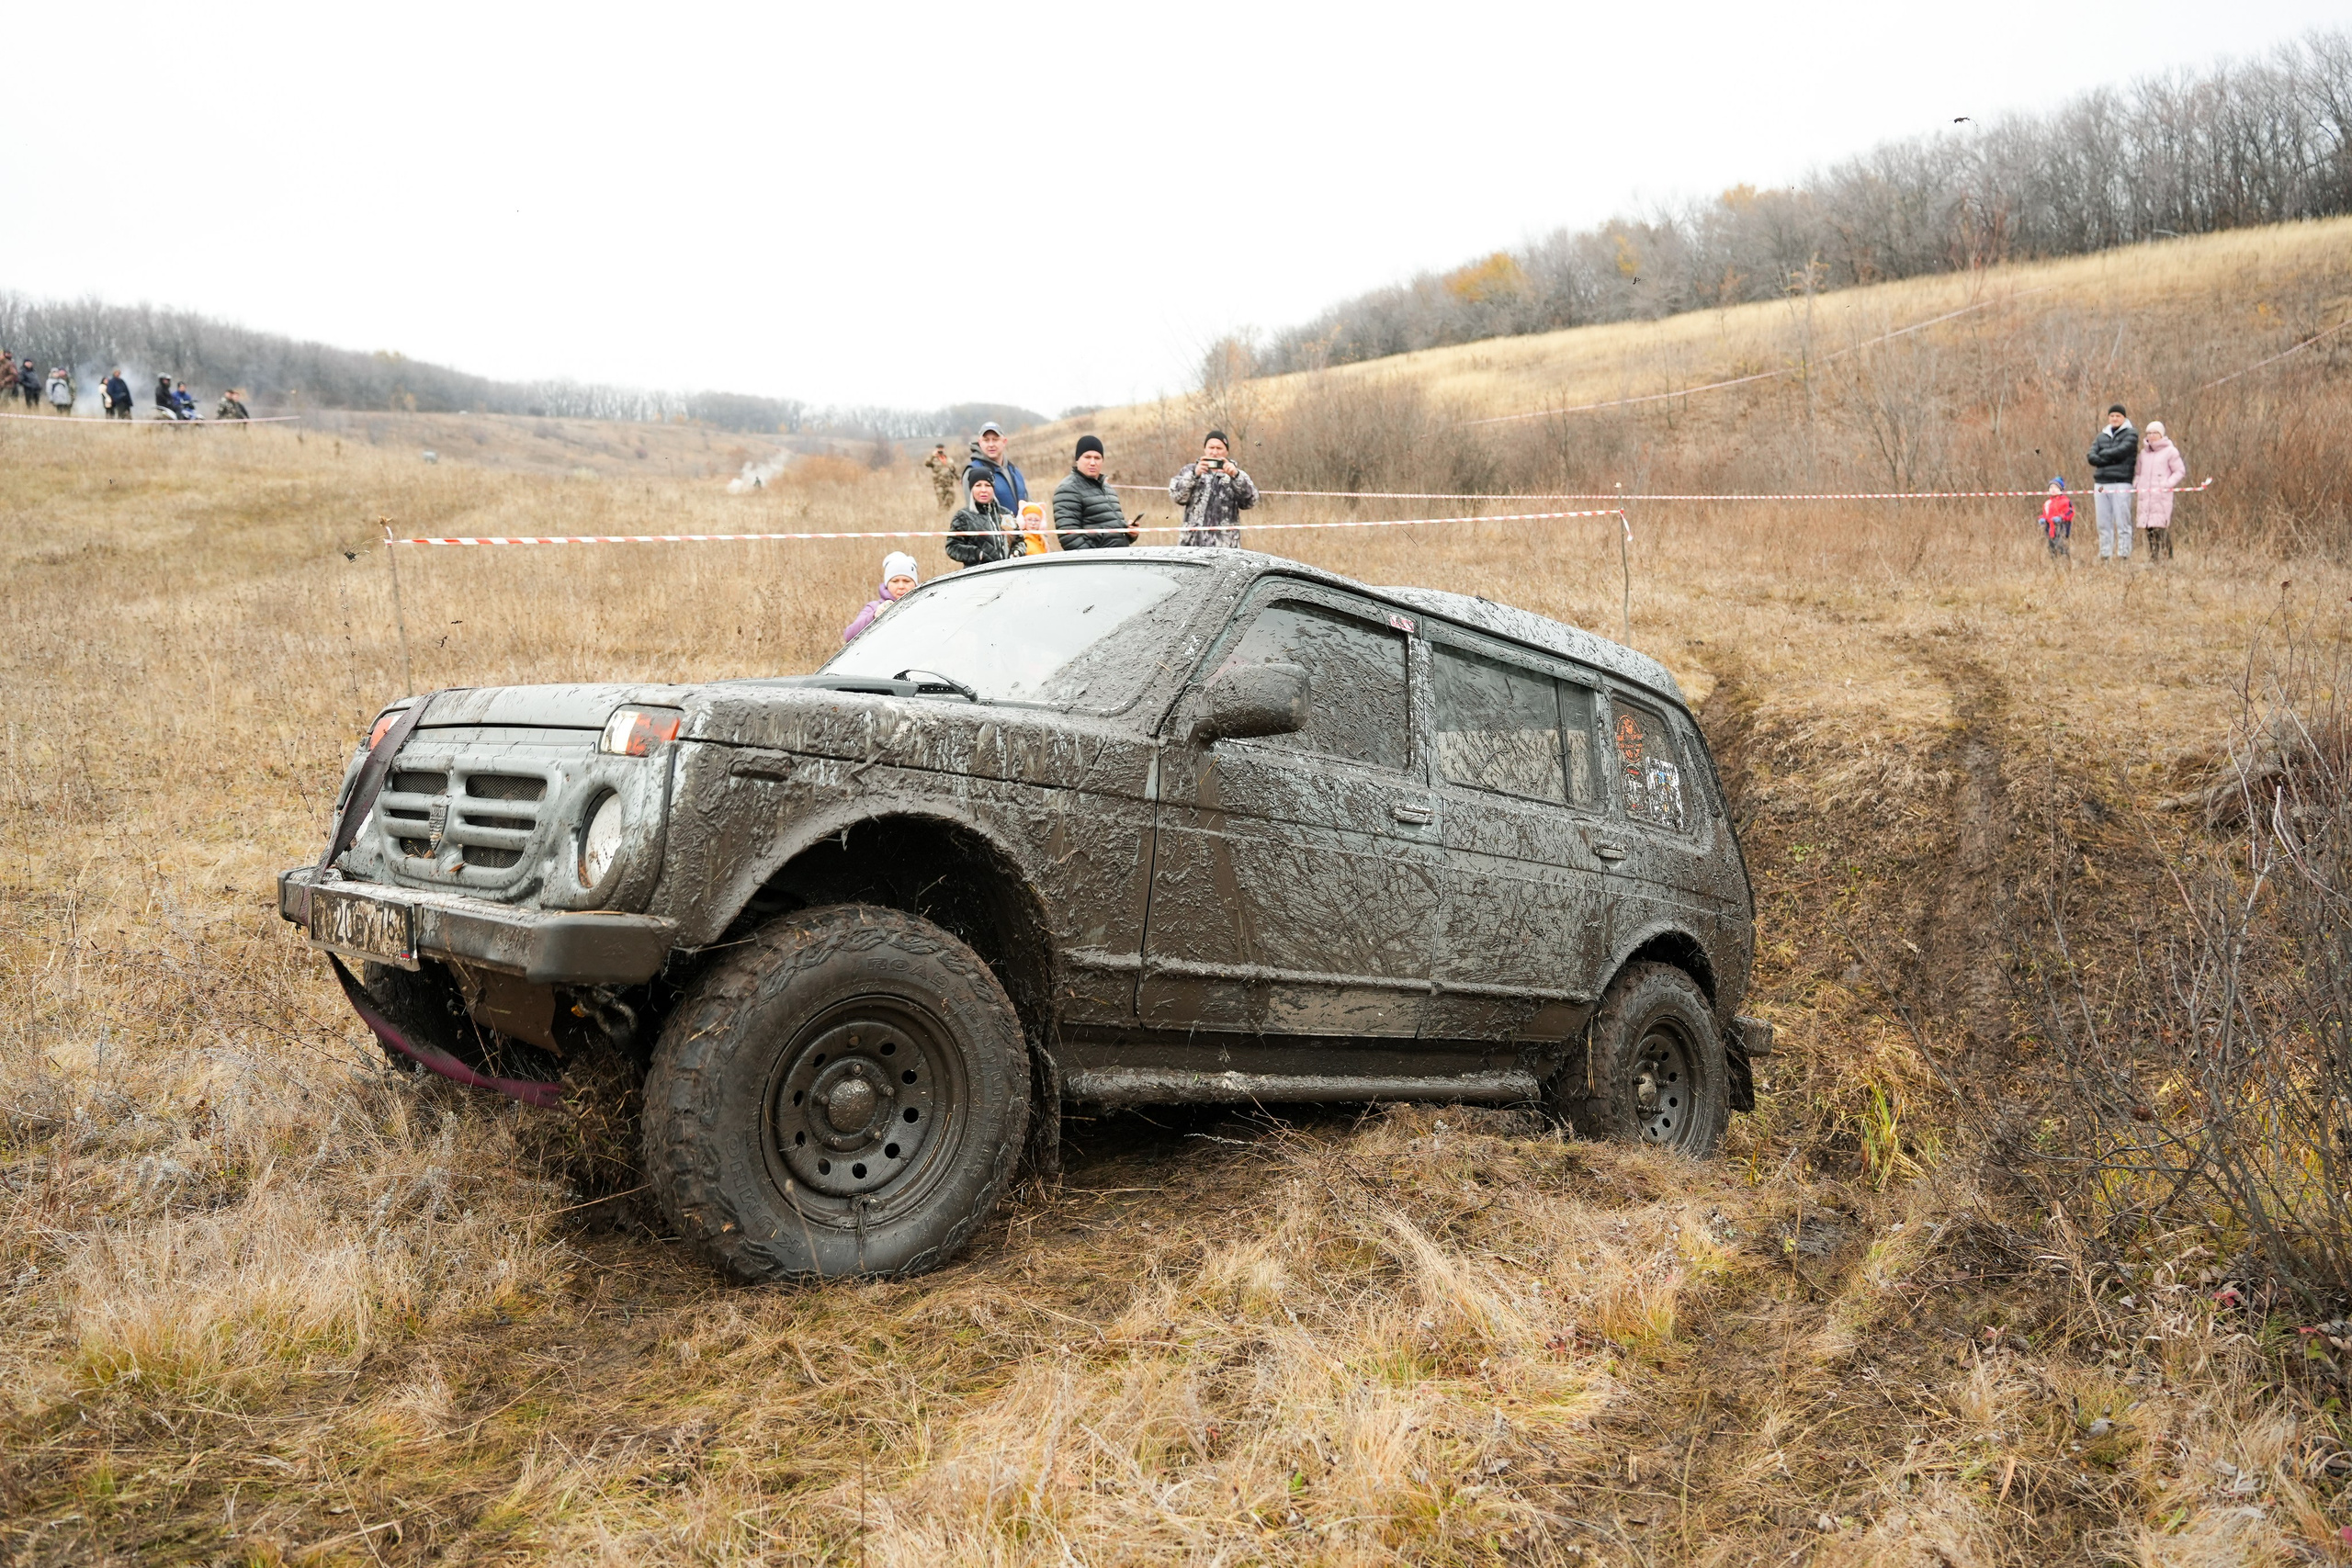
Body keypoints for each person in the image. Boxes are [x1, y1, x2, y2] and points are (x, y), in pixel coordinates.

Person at [1169, 431, 1258, 547]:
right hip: (1191, 546)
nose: (1214, 452)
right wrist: (1194, 475)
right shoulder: (1189, 471)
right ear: (1205, 449)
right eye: (1211, 447)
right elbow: (1176, 496)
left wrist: (1236, 477)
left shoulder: (1237, 474)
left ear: (1227, 451)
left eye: (1219, 448)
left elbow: (1250, 502)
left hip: (1225, 547)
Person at [1054, 434, 1135, 550]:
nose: (1093, 462)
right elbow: (1069, 537)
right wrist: (1094, 560)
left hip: (1119, 558)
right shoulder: (1068, 489)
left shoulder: (1108, 489)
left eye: (1097, 458)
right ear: (1077, 459)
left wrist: (1130, 534)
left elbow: (1112, 530)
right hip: (1096, 563)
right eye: (1087, 457)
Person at [2086, 403, 2139, 562]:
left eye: (2118, 416)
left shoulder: (2132, 433)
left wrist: (2103, 456)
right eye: (2112, 416)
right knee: (2103, 520)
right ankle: (2105, 554)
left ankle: (2124, 554)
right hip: (2101, 483)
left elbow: (2122, 451)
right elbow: (2091, 456)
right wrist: (2109, 458)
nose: (2115, 418)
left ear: (2124, 418)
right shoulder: (2101, 436)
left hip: (2121, 482)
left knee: (2123, 520)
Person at [842, 552, 921, 643]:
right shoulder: (874, 607)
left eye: (907, 581)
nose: (901, 586)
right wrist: (874, 616)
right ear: (887, 584)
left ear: (915, 583)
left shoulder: (923, 604)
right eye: (895, 581)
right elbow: (849, 635)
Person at [2135, 420, 2185, 563]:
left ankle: (2167, 556)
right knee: (2148, 528)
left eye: (2155, 433)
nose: (2151, 436)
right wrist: (2137, 484)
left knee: (2160, 526)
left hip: (2161, 496)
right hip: (2145, 496)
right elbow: (2138, 473)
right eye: (2149, 433)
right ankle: (2153, 556)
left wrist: (2167, 484)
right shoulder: (2144, 453)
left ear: (2161, 434)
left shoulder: (2170, 451)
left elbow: (2179, 471)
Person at [945, 474, 1017, 567]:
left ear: (993, 489)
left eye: (988, 485)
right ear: (972, 489)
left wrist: (1016, 553)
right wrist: (978, 554)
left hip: (1008, 571)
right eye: (978, 485)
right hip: (978, 574)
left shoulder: (1006, 513)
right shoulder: (963, 516)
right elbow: (952, 547)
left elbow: (1019, 540)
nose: (983, 490)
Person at [965, 421, 1028, 516]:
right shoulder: (973, 471)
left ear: (1004, 442)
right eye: (986, 440)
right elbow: (972, 514)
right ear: (980, 442)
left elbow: (1028, 503)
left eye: (995, 439)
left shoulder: (1015, 471)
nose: (991, 445)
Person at [2039, 477, 2073, 560]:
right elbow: (2045, 514)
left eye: (2056, 487)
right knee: (2051, 548)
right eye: (2051, 487)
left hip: (2061, 528)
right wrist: (2042, 519)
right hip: (2049, 529)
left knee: (2062, 547)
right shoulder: (2047, 503)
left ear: (2061, 489)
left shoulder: (2065, 501)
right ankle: (2054, 565)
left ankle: (2067, 564)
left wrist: (2062, 518)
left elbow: (2070, 512)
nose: (2053, 489)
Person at [923, 442, 960, 511]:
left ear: (944, 449)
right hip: (939, 483)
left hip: (949, 483)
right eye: (939, 449)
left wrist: (959, 479)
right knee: (941, 500)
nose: (940, 450)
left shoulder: (948, 459)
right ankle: (941, 514)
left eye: (941, 448)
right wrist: (932, 456)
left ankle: (945, 510)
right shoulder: (933, 459)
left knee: (951, 497)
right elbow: (926, 464)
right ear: (936, 449)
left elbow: (953, 470)